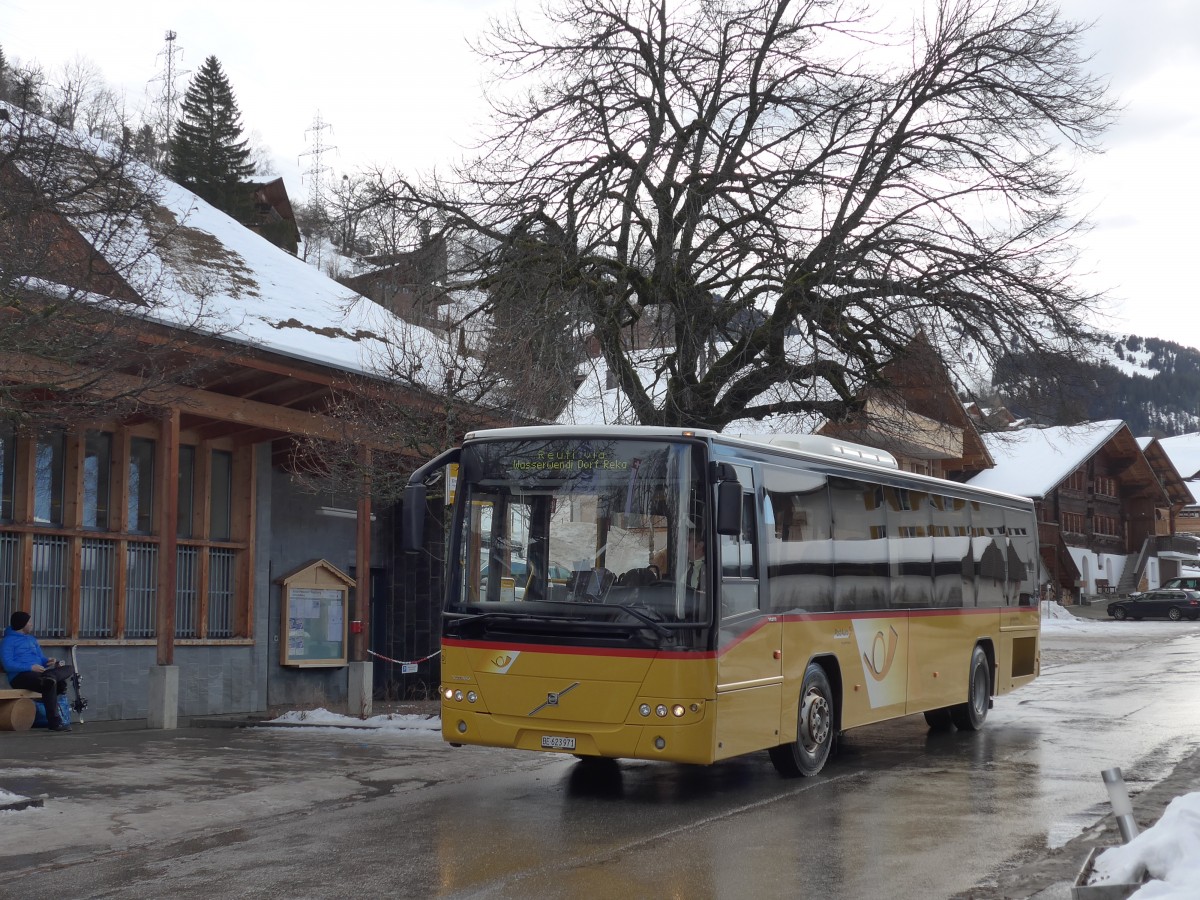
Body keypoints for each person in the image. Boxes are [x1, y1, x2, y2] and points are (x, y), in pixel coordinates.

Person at [2, 611, 71, 732]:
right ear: (22, 624)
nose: (32, 624)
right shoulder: (8, 641)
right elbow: (8, 665)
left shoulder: (32, 639)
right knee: (50, 684)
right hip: (20, 677)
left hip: (39, 674)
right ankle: (55, 722)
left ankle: (51, 676)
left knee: (69, 668)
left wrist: (49, 661)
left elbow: (40, 658)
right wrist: (30, 667)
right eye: (29, 622)